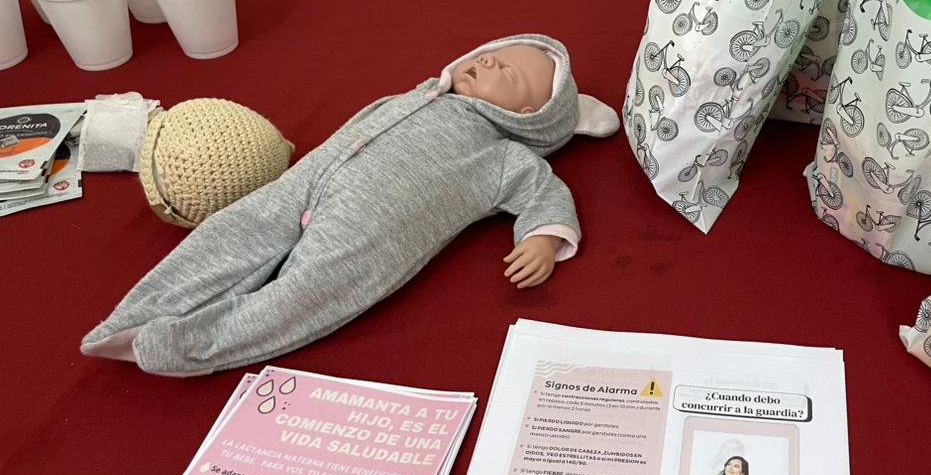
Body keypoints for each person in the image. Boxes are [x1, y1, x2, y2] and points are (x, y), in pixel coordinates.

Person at [81, 34, 618, 376]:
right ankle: (136, 314)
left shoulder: (502, 154)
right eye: (490, 53)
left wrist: (543, 238)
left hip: (369, 229)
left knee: (309, 291)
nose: (489, 60)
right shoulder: (420, 95)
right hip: (307, 180)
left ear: (528, 115)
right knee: (235, 228)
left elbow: (545, 191)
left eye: (509, 73)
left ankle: (187, 345)